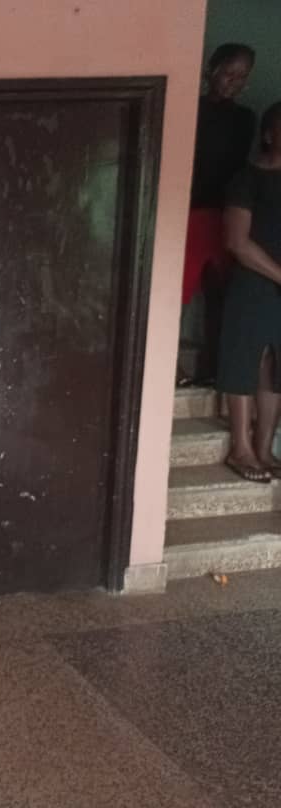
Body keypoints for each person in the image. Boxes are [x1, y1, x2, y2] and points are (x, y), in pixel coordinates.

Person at [180, 43, 256, 386]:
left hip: (225, 214)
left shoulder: (245, 119)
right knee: (178, 292)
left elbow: (237, 170)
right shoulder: (189, 108)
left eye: (242, 76)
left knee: (219, 295)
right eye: (229, 73)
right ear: (211, 69)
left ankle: (213, 368)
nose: (234, 82)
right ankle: (170, 366)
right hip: (190, 210)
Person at [217, 101, 281, 482]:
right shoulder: (247, 179)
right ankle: (240, 449)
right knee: (244, 358)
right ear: (269, 135)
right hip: (253, 281)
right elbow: (237, 242)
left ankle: (264, 448)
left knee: (275, 367)